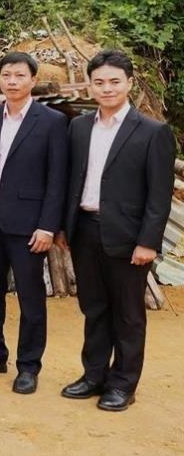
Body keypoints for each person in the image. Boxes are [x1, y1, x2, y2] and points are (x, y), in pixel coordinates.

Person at [59, 50, 176, 412]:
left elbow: (159, 195)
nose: (106, 88)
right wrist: (65, 227)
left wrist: (148, 242)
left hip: (128, 237)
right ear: (90, 85)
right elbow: (71, 180)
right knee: (94, 307)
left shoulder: (153, 132)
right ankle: (94, 375)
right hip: (84, 230)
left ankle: (123, 383)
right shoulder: (79, 127)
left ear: (129, 83)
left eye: (114, 81)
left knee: (127, 314)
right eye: (99, 82)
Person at [0, 51, 68, 394]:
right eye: (6, 75)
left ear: (33, 80)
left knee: (31, 299)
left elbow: (57, 179)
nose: (12, 81)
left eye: (20, 75)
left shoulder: (51, 121)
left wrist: (48, 226)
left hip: (30, 226)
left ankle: (28, 366)